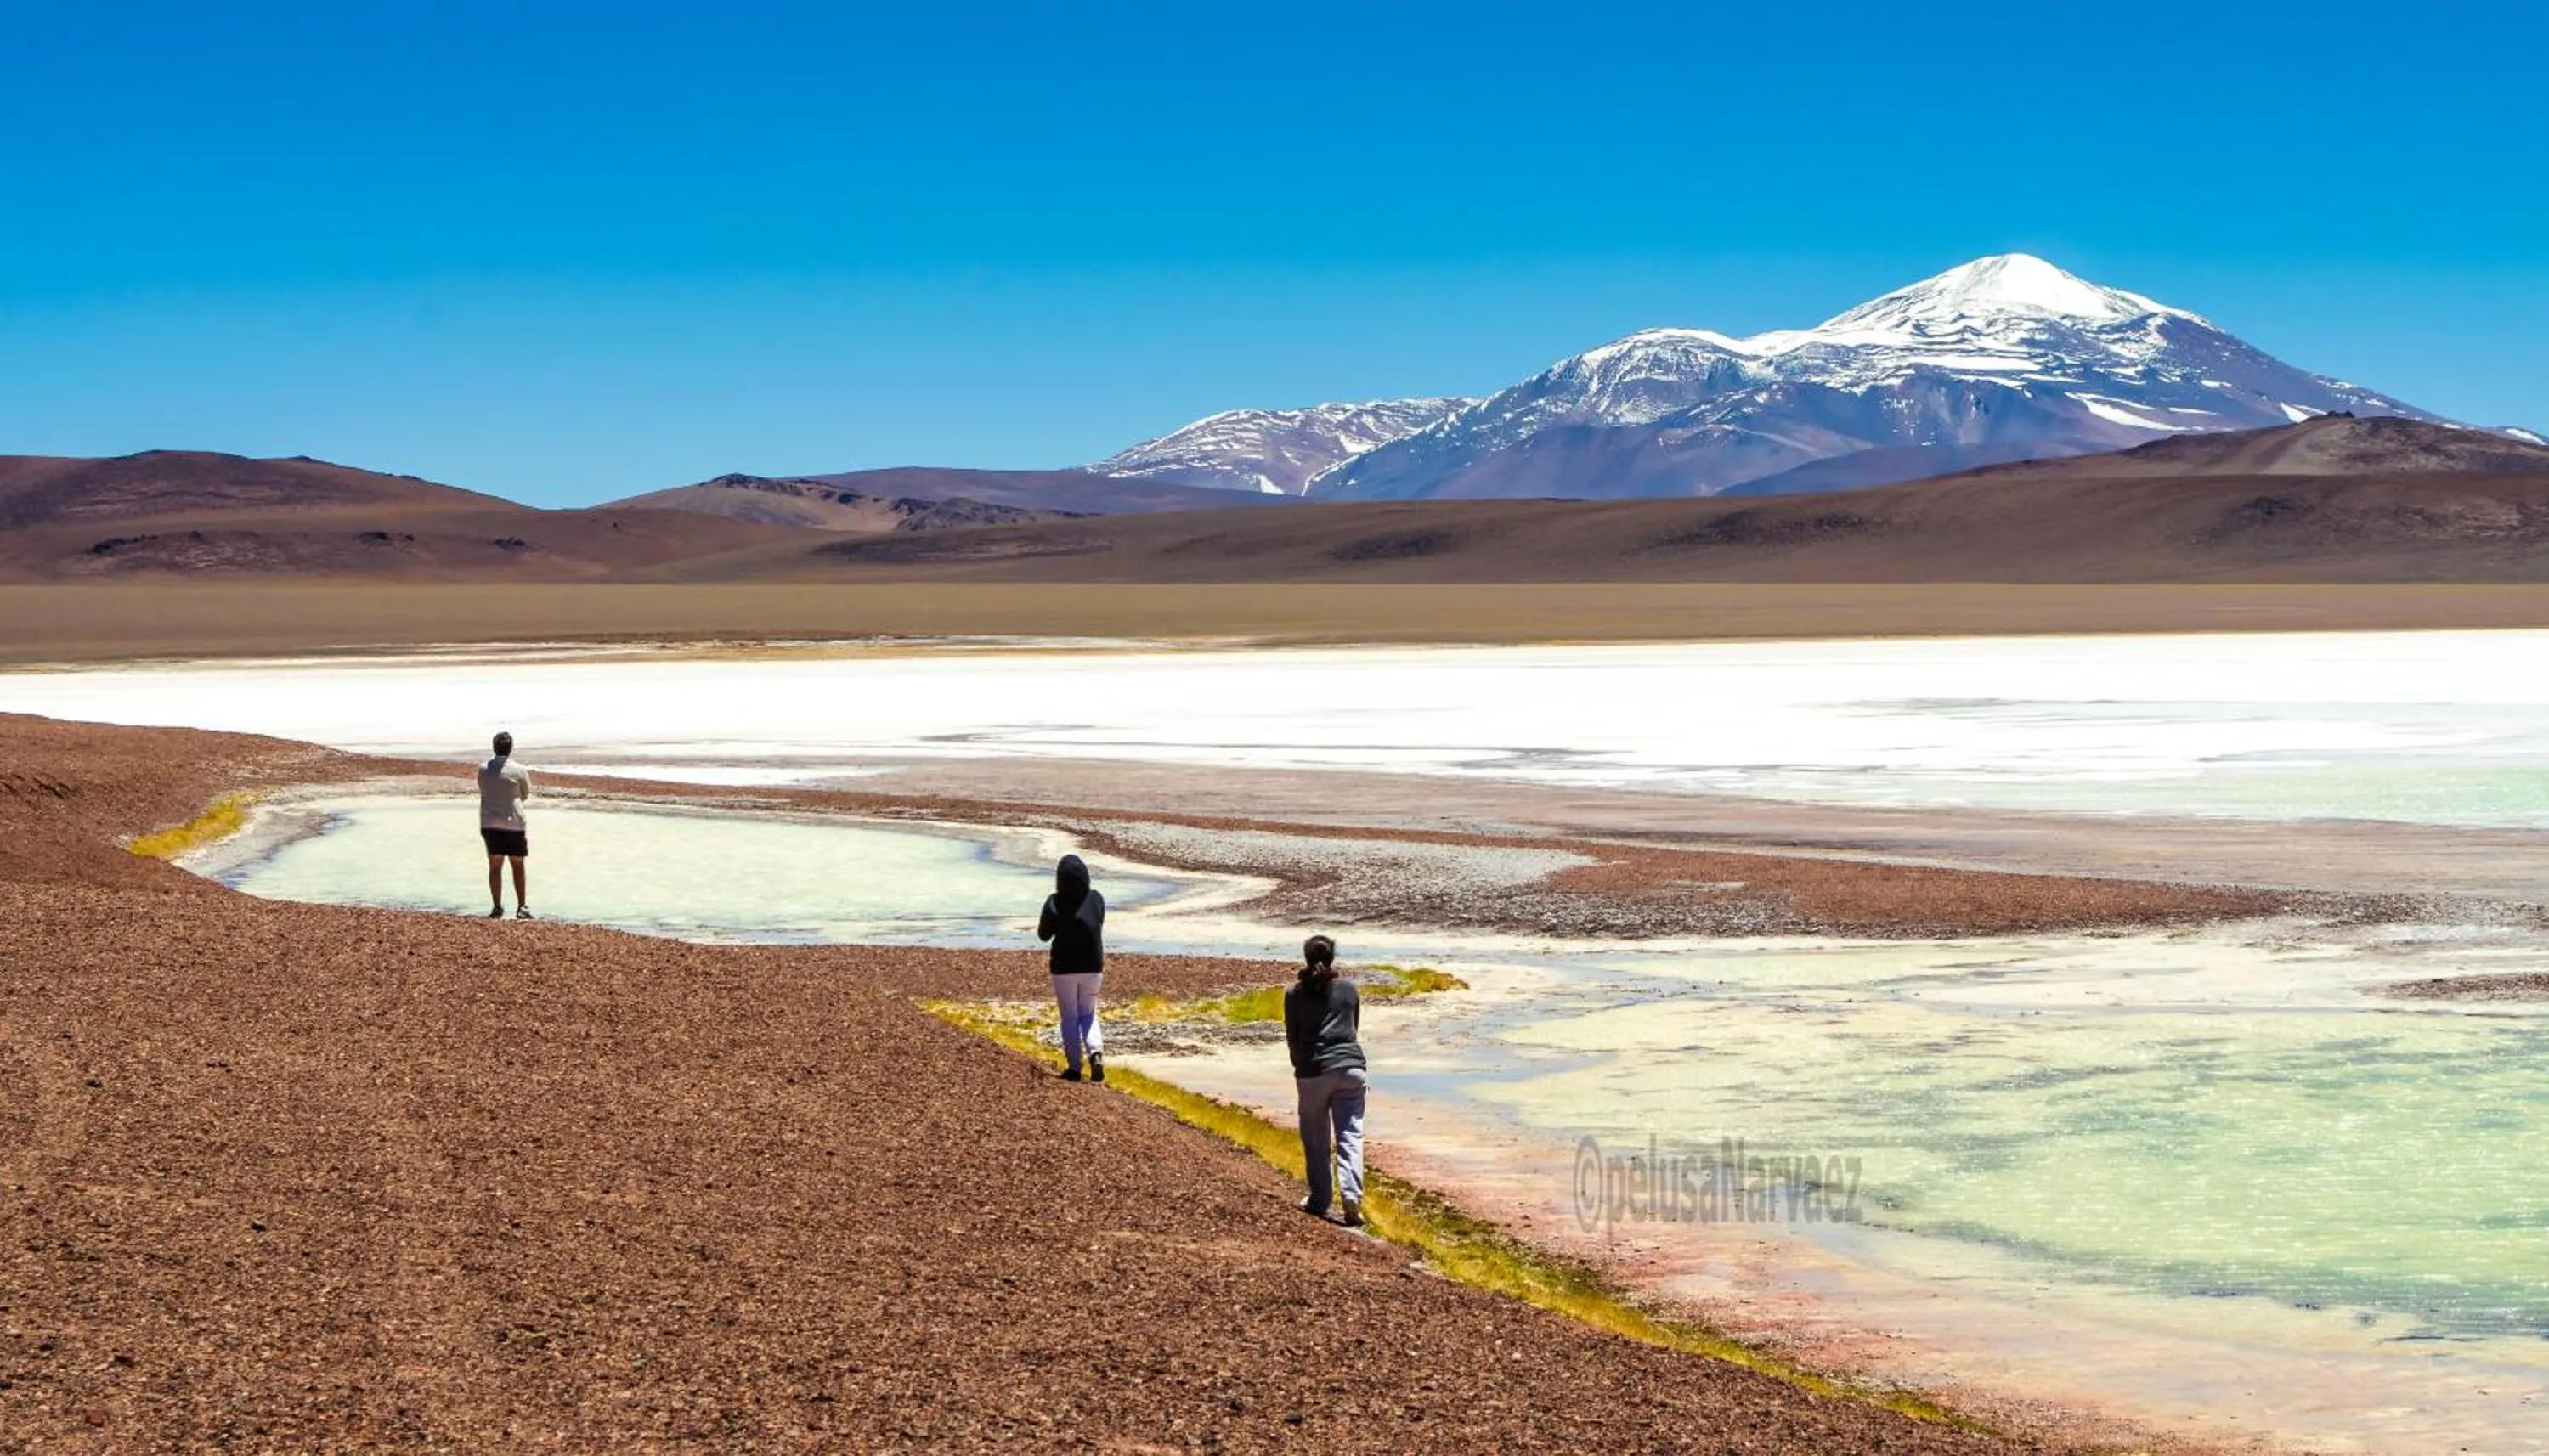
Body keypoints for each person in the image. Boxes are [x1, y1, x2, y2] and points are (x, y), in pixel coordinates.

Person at [1284, 934, 1368, 1227]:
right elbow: (1353, 1029)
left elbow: (1293, 1039)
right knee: (1350, 1135)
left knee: (1316, 1138)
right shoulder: (1349, 990)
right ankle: (1352, 1194)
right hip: (1352, 1068)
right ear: (1332, 957)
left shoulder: (1294, 994)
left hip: (1313, 1070)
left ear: (1306, 958)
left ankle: (1320, 1199)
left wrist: (1300, 1067)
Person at [1037, 854, 1106, 1081]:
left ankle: (1075, 1068)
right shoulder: (1096, 899)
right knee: (1088, 1012)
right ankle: (1095, 1053)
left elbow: (1043, 935)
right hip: (1093, 966)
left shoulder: (1055, 902)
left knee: (1069, 1016)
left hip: (1064, 967)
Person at [477, 731, 534, 920]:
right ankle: (522, 906)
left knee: (495, 865)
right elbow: (525, 793)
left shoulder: (484, 769)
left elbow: (483, 789)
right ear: (510, 748)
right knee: (517, 865)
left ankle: (497, 906)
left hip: (490, 822)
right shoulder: (519, 770)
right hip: (513, 823)